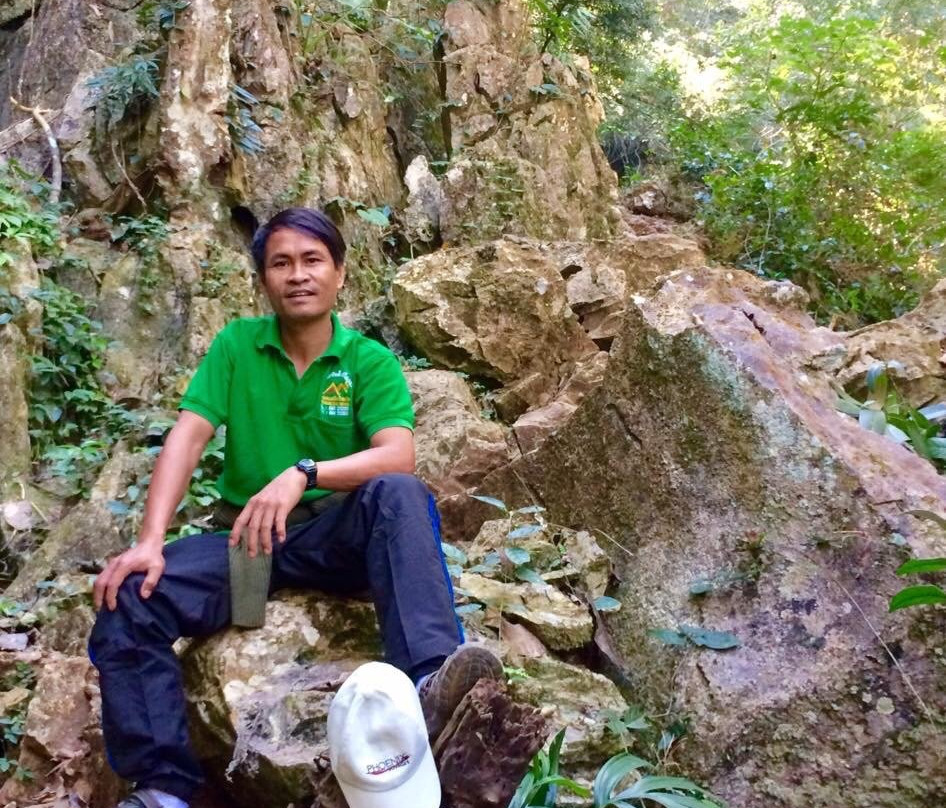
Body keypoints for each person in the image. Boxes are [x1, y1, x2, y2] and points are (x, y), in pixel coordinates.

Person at [88, 208, 502, 808]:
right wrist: (150, 540)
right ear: (263, 279)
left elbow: (397, 455)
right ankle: (163, 788)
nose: (298, 275)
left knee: (400, 494)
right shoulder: (236, 347)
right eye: (281, 263)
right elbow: (188, 435)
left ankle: (433, 685)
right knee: (131, 594)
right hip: (249, 542)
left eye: (313, 260)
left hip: (336, 538)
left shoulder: (367, 361)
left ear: (339, 274)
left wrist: (305, 473)